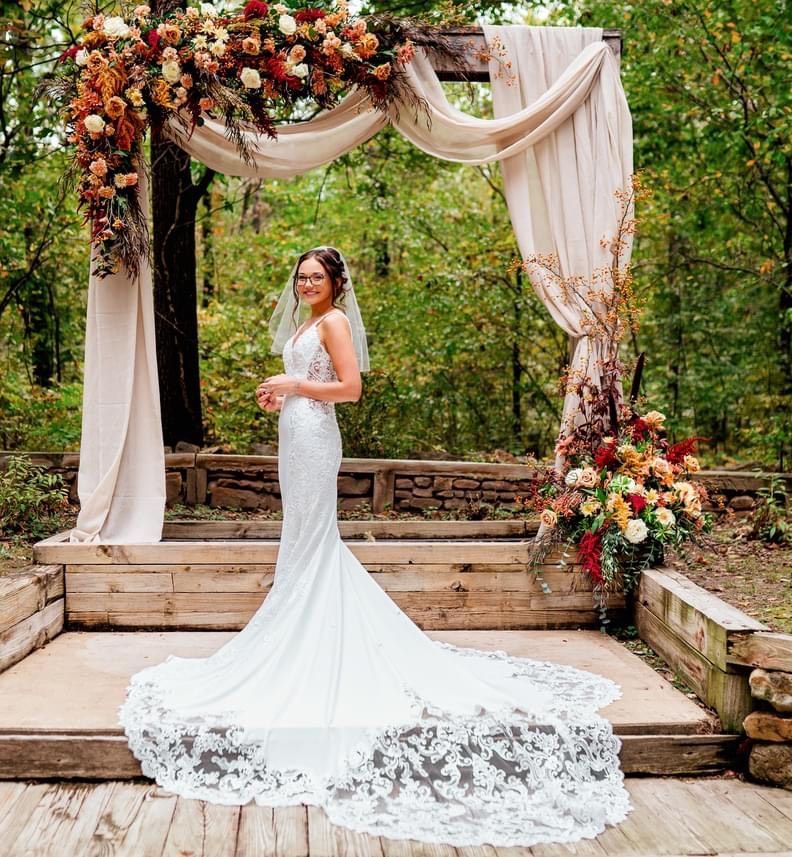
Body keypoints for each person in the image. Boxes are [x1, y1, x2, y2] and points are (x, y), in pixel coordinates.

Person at [118, 246, 632, 847]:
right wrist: (283, 394)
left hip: (314, 439)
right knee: (301, 536)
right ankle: (297, 627)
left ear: (337, 283)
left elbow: (351, 388)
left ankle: (307, 634)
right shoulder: (306, 322)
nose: (307, 282)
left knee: (313, 535)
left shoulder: (333, 322)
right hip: (296, 429)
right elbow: (313, 385)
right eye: (301, 275)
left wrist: (296, 385)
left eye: (317, 275)